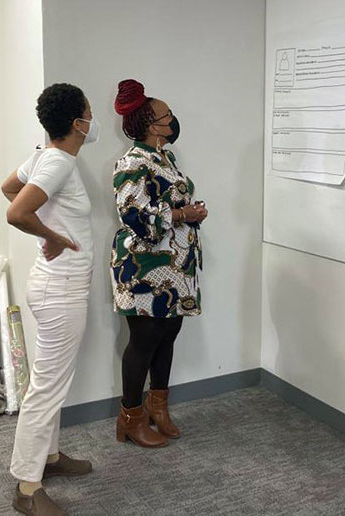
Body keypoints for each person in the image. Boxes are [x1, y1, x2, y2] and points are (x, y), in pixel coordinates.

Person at [1, 83, 99, 516]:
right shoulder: (57, 162)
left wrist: (49, 225)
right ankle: (27, 486)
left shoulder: (45, 157)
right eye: (90, 113)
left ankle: (51, 458)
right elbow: (15, 210)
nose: (93, 120)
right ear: (78, 123)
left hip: (53, 287)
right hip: (60, 291)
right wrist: (52, 235)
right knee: (47, 387)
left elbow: (9, 187)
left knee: (53, 380)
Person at [110, 79, 208, 448]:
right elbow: (135, 218)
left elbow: (167, 205)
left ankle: (158, 409)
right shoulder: (132, 162)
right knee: (144, 341)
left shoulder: (164, 157)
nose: (173, 120)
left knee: (168, 335)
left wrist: (192, 213)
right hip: (144, 269)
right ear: (152, 125)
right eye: (167, 116)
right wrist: (183, 213)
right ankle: (130, 418)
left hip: (176, 267)